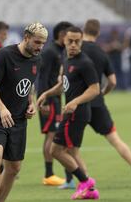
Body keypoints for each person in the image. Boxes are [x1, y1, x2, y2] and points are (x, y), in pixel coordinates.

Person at [0, 22, 48, 202]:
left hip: (19, 120)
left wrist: (31, 104)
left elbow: (29, 85)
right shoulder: (4, 55)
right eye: (37, 42)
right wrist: (2, 109)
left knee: (14, 168)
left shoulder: (37, 59)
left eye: (43, 43)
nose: (40, 47)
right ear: (26, 37)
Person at [81, 19, 131, 187]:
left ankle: (84, 181)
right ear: (97, 33)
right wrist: (102, 93)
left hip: (78, 104)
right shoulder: (101, 52)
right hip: (97, 103)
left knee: (68, 147)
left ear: (83, 31)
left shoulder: (75, 50)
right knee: (115, 140)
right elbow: (112, 81)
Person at [37, 26, 100, 200]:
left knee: (55, 150)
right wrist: (47, 93)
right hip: (72, 112)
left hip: (77, 113)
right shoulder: (66, 59)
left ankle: (85, 182)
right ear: (64, 40)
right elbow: (62, 85)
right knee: (72, 152)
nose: (73, 44)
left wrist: (74, 101)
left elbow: (95, 89)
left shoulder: (84, 63)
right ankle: (89, 189)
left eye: (77, 41)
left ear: (81, 42)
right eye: (70, 41)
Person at [37, 21, 73, 188]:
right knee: (51, 135)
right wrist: (43, 100)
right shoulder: (50, 51)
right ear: (61, 34)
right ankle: (48, 174)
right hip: (49, 99)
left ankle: (50, 173)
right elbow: (42, 76)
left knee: (52, 134)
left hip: (56, 98)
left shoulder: (60, 50)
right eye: (68, 35)